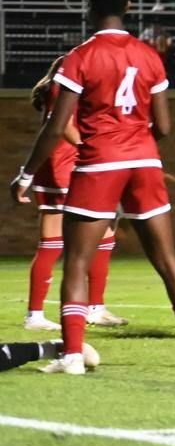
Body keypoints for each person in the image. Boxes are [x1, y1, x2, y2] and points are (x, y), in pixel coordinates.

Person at [9, 0, 175, 373]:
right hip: (144, 163)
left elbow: (55, 125)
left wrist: (26, 174)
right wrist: (136, 140)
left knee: (77, 261)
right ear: (128, 5)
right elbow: (165, 127)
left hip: (99, 164)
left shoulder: (79, 57)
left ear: (89, 6)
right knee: (167, 260)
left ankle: (71, 357)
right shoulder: (149, 56)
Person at [15, 57, 125, 331]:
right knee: (54, 240)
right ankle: (36, 315)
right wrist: (86, 146)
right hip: (62, 166)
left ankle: (94, 308)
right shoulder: (62, 86)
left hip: (71, 165)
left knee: (106, 232)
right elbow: (61, 124)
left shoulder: (74, 84)